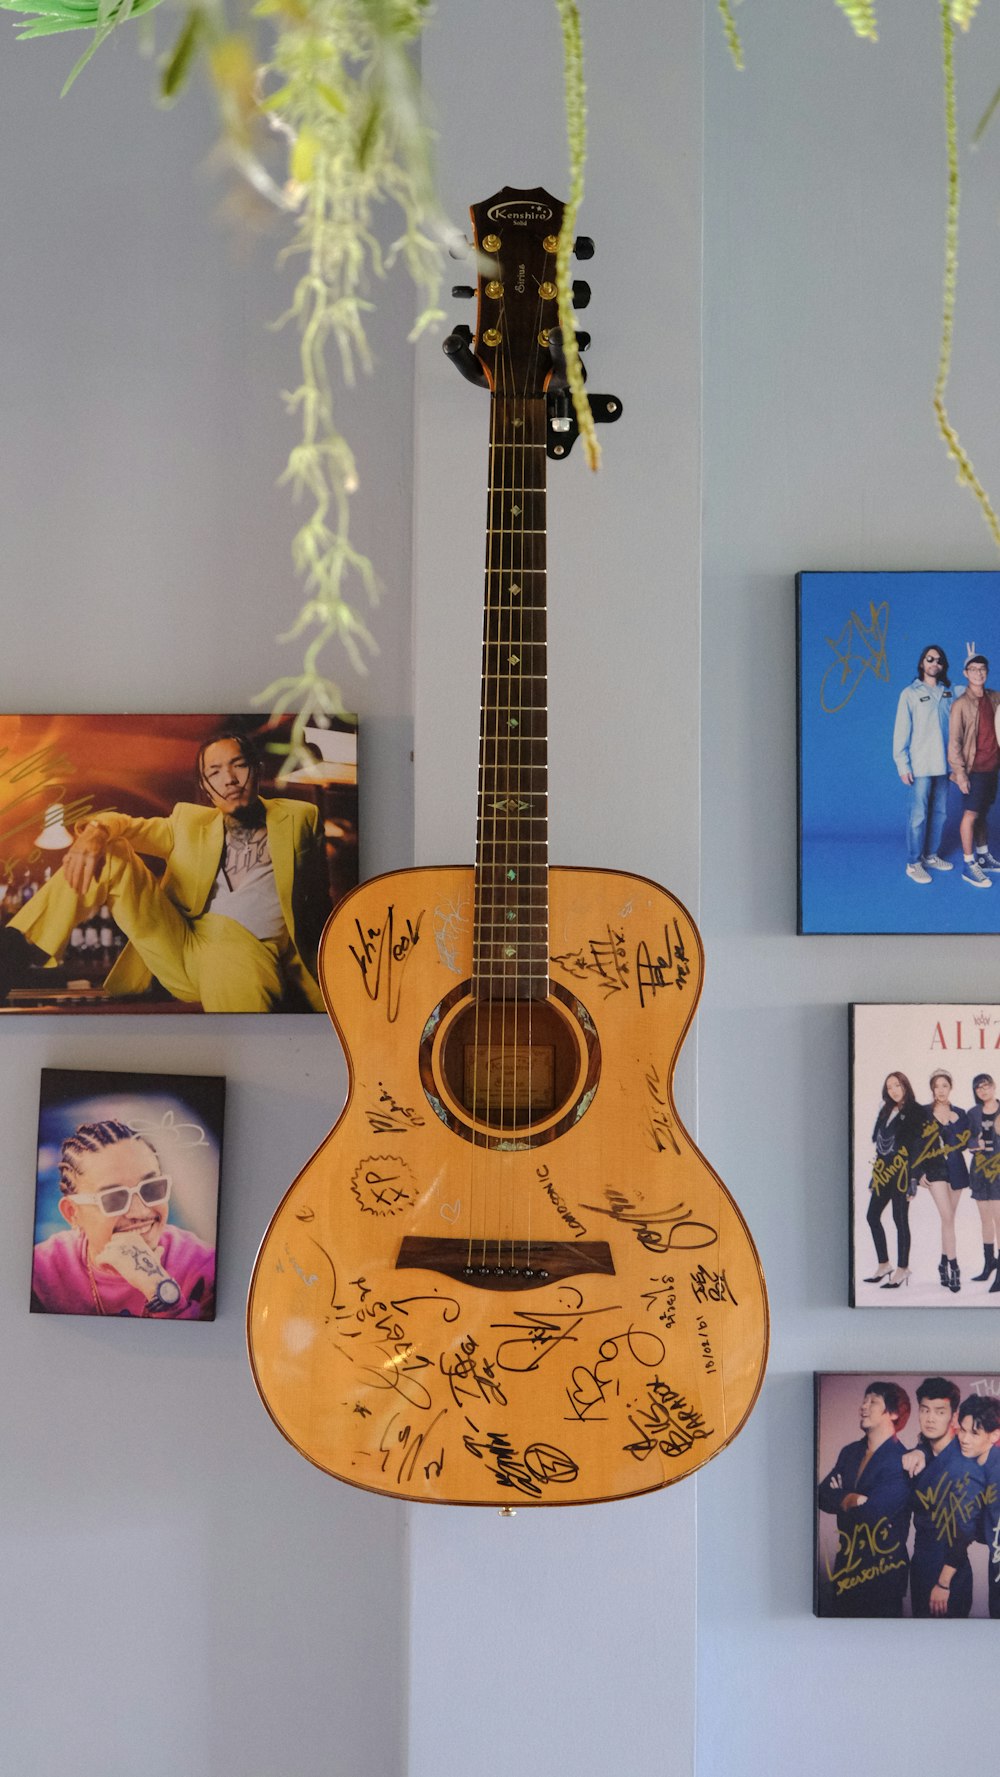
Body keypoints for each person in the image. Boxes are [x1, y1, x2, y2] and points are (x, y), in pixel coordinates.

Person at [0, 729, 326, 1013]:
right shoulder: (188, 823)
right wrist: (96, 832)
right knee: (111, 850)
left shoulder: (301, 818)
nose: (229, 779)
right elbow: (126, 825)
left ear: (257, 769)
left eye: (239, 765)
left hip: (253, 952)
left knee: (234, 964)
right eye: (214, 772)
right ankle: (15, 950)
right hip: (180, 943)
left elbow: (317, 900)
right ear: (206, 788)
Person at [31, 1119, 215, 1318]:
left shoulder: (203, 1266)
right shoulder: (40, 1271)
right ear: (72, 1213)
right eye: (113, 1198)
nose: (140, 1212)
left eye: (152, 1188)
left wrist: (161, 1290)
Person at [817, 1380, 912, 1615]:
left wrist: (842, 1496)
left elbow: (872, 1515)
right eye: (864, 1400)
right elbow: (822, 1495)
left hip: (883, 1576)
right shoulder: (850, 1452)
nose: (863, 1406)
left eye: (873, 1402)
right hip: (845, 1569)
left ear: (892, 1413)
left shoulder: (903, 1461)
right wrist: (850, 1498)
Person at [902, 1377, 981, 1616]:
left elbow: (964, 1530)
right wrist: (920, 1448)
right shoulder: (922, 1454)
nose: (930, 1418)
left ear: (954, 1417)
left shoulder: (965, 1459)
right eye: (925, 1410)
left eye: (939, 1411)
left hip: (948, 1569)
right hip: (921, 1563)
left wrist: (943, 1583)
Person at [892, 644, 957, 884]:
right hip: (920, 765)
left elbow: (972, 696)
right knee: (918, 815)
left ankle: (931, 855)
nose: (934, 663)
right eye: (930, 659)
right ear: (922, 663)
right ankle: (913, 862)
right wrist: (903, 764)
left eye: (939, 660)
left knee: (939, 814)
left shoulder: (949, 693)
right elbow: (901, 732)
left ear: (942, 666)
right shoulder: (909, 693)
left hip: (943, 765)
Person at [911, 1070, 970, 1293]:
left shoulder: (961, 1113)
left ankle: (942, 1263)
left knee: (949, 1221)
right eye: (937, 1086)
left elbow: (963, 1145)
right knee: (947, 1217)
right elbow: (917, 1144)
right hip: (934, 1169)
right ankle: (954, 1268)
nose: (941, 1090)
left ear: (950, 1087)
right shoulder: (924, 1113)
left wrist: (954, 1125)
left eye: (944, 1085)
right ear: (932, 1089)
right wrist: (918, 1173)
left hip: (956, 1170)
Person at [862, 1071, 921, 1288]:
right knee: (872, 1216)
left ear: (905, 1085)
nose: (894, 1090)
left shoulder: (914, 1111)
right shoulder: (886, 1110)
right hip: (884, 1172)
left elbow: (917, 1147)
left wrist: (914, 1179)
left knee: (900, 1219)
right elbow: (880, 1147)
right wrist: (874, 1176)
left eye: (897, 1085)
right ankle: (884, 1264)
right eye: (889, 1087)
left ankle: (903, 1268)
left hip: (903, 1172)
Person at [946, 652, 1000, 888]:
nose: (979, 673)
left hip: (992, 767)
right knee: (970, 815)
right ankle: (969, 864)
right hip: (973, 770)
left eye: (982, 669)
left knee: (982, 814)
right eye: (974, 669)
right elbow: (955, 742)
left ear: (987, 672)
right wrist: (960, 774)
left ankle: (983, 855)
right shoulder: (960, 704)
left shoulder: (995, 698)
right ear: (965, 673)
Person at [965, 1073, 1000, 1291]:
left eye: (986, 1086)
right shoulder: (973, 1113)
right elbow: (967, 1139)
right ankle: (989, 1264)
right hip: (979, 1169)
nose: (983, 1091)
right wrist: (973, 1142)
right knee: (985, 1220)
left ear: (994, 1087)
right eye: (978, 1088)